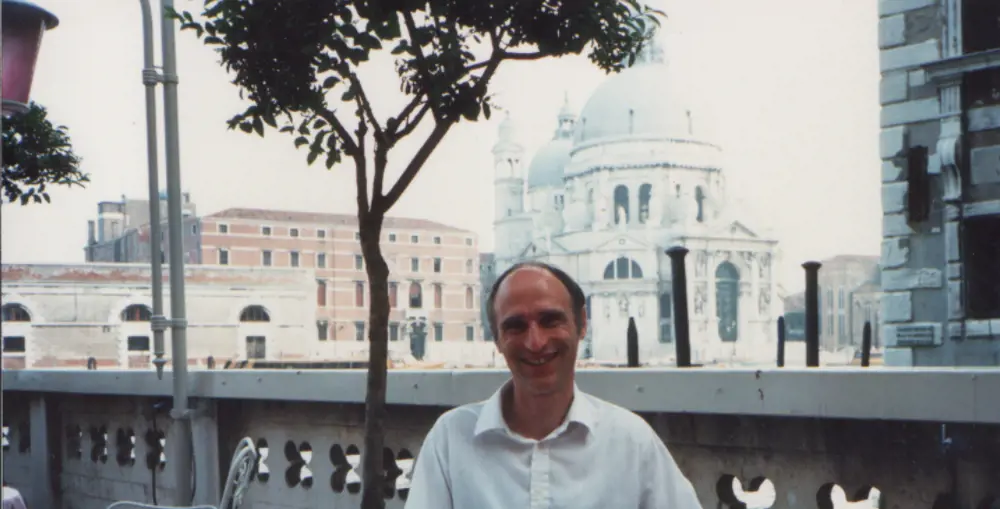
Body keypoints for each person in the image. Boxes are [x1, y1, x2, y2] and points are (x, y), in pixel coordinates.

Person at [404, 262, 702, 508]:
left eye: (550, 320)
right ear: (496, 338)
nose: (536, 342)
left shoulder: (632, 442)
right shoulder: (450, 439)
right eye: (516, 326)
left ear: (581, 323)